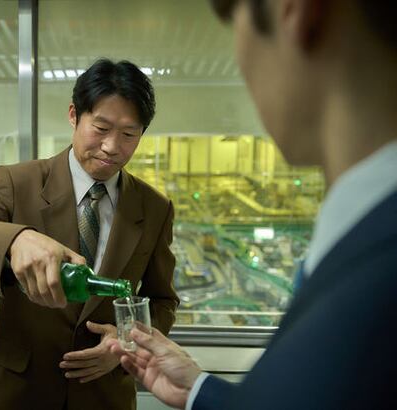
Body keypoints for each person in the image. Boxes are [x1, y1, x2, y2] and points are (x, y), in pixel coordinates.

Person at [108, 0, 397, 409]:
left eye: (234, 25)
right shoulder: (362, 239)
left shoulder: (373, 278)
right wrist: (200, 390)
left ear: (296, 13)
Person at [0, 58, 179, 410]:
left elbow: (162, 301)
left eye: (129, 135)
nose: (112, 147)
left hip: (104, 395)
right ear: (73, 115)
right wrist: (17, 239)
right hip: (19, 392)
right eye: (101, 128)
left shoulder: (154, 208)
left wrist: (126, 343)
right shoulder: (18, 182)